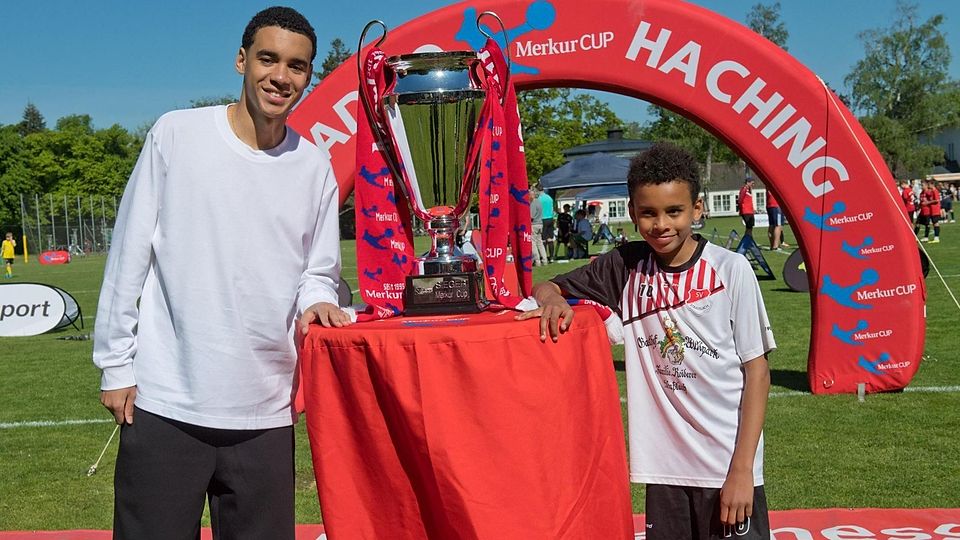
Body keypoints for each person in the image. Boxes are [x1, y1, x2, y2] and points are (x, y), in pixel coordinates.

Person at [92, 7, 350, 539]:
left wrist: (317, 300)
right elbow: (128, 255)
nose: (281, 76)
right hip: (166, 404)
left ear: (309, 76)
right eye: (268, 59)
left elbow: (318, 270)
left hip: (265, 411)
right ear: (241, 60)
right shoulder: (175, 135)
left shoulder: (314, 166)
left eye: (297, 67)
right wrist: (115, 364)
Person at [519, 142, 774, 539]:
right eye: (648, 213)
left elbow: (757, 371)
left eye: (674, 211)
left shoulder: (731, 269)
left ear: (697, 210)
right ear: (633, 213)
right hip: (665, 471)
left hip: (728, 466)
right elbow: (545, 284)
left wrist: (743, 470)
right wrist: (551, 298)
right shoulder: (625, 265)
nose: (661, 224)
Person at [529, 185, 549, 266]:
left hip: (534, 224)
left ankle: (537, 261)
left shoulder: (533, 203)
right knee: (540, 243)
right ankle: (545, 260)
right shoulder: (539, 202)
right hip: (540, 223)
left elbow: (531, 216)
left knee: (533, 243)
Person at [538, 186, 556, 261]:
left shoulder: (539, 199)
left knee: (543, 239)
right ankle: (552, 257)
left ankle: (544, 257)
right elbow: (552, 208)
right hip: (550, 218)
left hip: (543, 219)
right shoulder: (549, 198)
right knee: (550, 239)